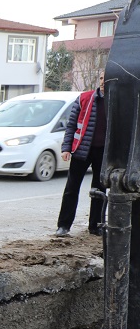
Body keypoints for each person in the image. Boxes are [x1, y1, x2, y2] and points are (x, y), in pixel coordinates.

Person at [56, 75, 106, 236]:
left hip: (103, 152)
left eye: (106, 78)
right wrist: (66, 148)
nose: (103, 82)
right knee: (71, 188)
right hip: (81, 150)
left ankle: (95, 226)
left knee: (99, 190)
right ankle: (63, 226)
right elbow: (71, 125)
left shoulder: (117, 101)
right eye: (101, 78)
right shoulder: (84, 98)